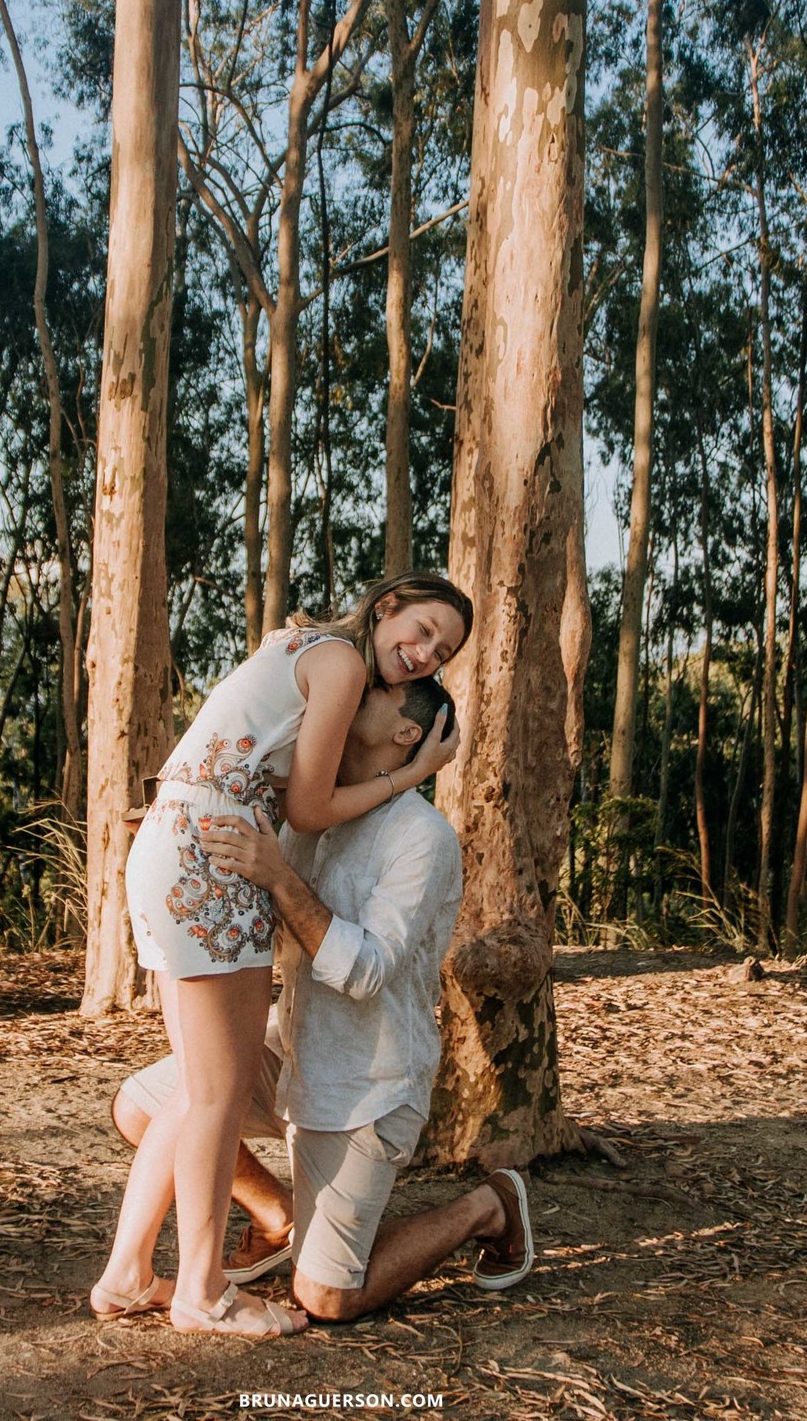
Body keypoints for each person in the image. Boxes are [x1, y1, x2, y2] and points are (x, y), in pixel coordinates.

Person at [91, 573, 473, 1339]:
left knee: (201, 1088)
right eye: (424, 629)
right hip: (212, 851)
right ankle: (201, 1294)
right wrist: (414, 774)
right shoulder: (341, 664)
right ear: (385, 607)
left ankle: (129, 1274)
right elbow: (305, 807)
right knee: (216, 1092)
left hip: (191, 840)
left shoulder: (302, 646)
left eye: (443, 652)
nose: (426, 654)